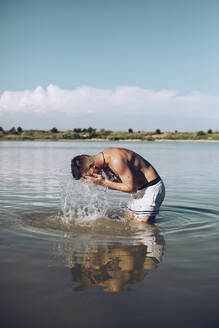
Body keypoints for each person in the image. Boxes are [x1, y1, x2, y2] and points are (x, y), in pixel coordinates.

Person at [71, 147, 165, 222]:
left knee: (141, 227)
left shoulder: (116, 160)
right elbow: (118, 184)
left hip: (151, 188)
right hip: (139, 190)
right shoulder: (104, 161)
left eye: (88, 175)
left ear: (92, 166)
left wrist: (103, 182)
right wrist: (101, 182)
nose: (90, 177)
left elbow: (131, 188)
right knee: (128, 221)